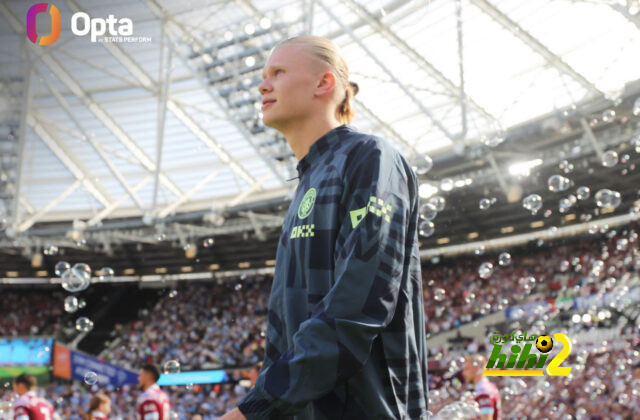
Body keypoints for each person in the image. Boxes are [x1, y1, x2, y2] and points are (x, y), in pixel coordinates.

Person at [220, 34, 428, 419]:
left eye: (278, 72)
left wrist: (253, 410)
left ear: (324, 83)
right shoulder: (307, 183)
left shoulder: (370, 157)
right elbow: (283, 340)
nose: (262, 84)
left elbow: (358, 307)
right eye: (264, 75)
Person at [461, 355, 501, 420]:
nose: (463, 373)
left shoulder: (483, 391)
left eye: (466, 369)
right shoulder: (484, 387)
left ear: (477, 368)